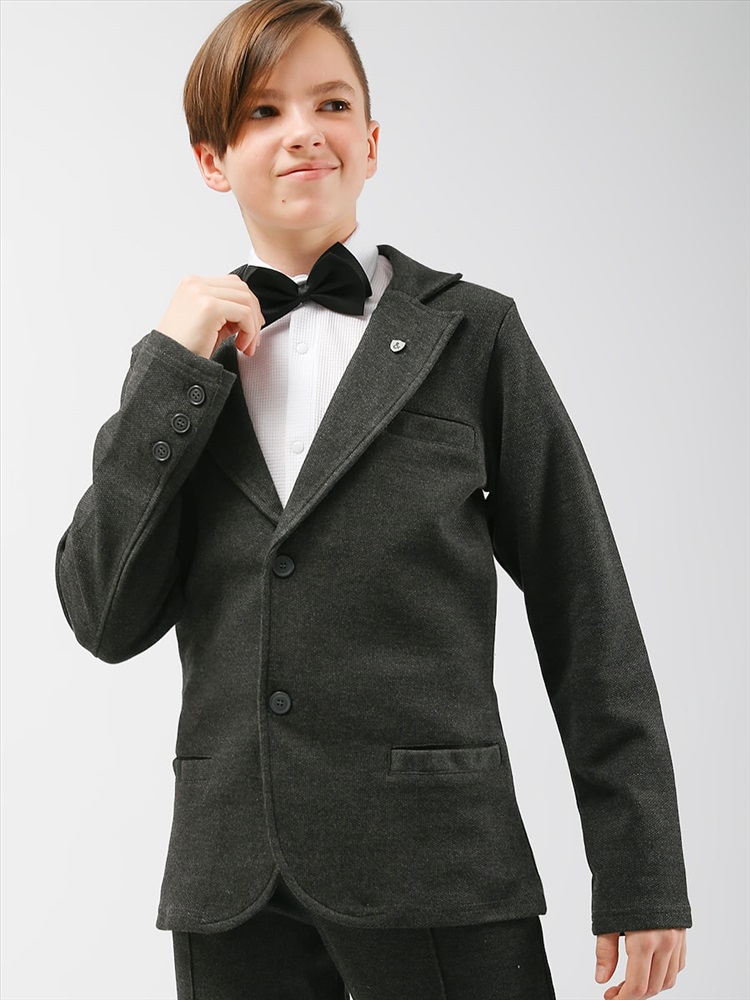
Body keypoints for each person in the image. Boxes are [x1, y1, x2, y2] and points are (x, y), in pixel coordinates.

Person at [54, 1, 693, 997]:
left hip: (438, 857)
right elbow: (104, 617)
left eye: (332, 104)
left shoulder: (472, 335)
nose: (303, 131)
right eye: (263, 111)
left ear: (372, 141)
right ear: (213, 160)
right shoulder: (179, 372)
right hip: (233, 883)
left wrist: (640, 869)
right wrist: (173, 369)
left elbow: (586, 600)